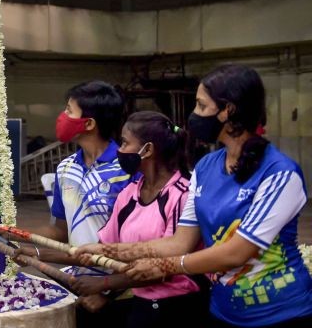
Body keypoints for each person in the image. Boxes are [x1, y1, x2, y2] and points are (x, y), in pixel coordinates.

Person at [77, 65, 312, 327]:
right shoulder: (206, 166)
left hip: (280, 313)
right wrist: (107, 250)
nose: (194, 115)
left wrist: (166, 266)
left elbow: (237, 252)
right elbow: (180, 242)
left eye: (201, 105)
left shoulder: (279, 173)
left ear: (227, 111)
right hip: (222, 310)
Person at [71, 111, 207, 327]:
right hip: (142, 298)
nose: (119, 150)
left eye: (124, 143)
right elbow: (103, 248)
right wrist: (36, 253)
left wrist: (103, 285)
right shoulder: (130, 192)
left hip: (177, 303)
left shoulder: (183, 194)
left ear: (148, 150)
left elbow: (161, 269)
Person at [14, 81, 131, 320]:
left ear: (88, 123)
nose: (62, 117)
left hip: (122, 293)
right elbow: (60, 231)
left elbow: (142, 244)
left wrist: (107, 292)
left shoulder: (127, 170)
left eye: (69, 110)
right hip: (78, 287)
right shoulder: (65, 168)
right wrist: (9, 231)